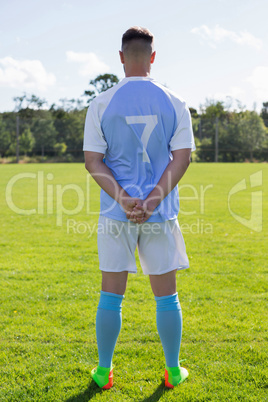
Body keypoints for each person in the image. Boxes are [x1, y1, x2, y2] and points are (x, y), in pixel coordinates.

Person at [83, 26, 195, 390]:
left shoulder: (101, 102)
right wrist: (152, 200)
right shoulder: (175, 101)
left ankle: (103, 372)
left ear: (120, 57)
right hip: (160, 212)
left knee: (111, 294)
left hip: (117, 212)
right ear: (152, 56)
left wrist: (125, 199)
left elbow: (92, 161)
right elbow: (183, 158)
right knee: (167, 297)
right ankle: (173, 371)